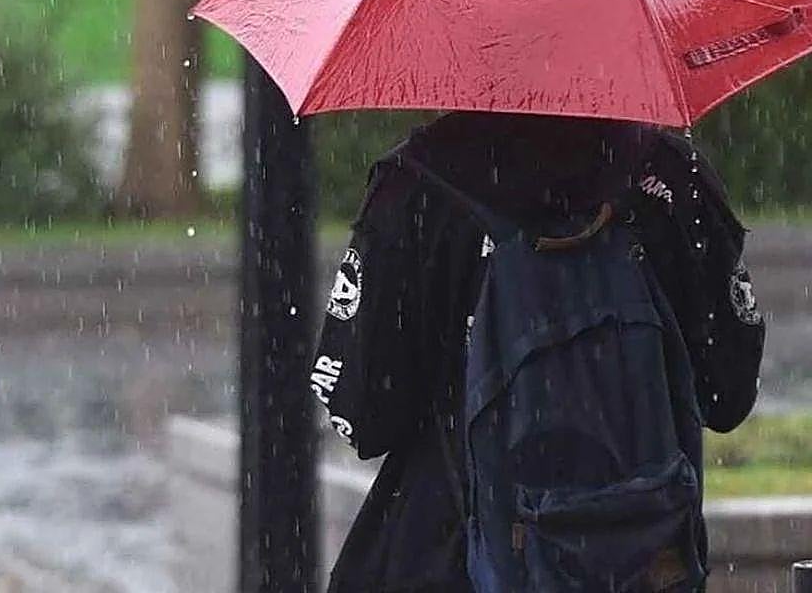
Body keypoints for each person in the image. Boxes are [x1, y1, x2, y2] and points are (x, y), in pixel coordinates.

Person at [311, 112, 765, 592]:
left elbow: (363, 414)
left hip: (450, 558)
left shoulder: (418, 185)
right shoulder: (671, 176)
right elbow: (729, 393)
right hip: (638, 561)